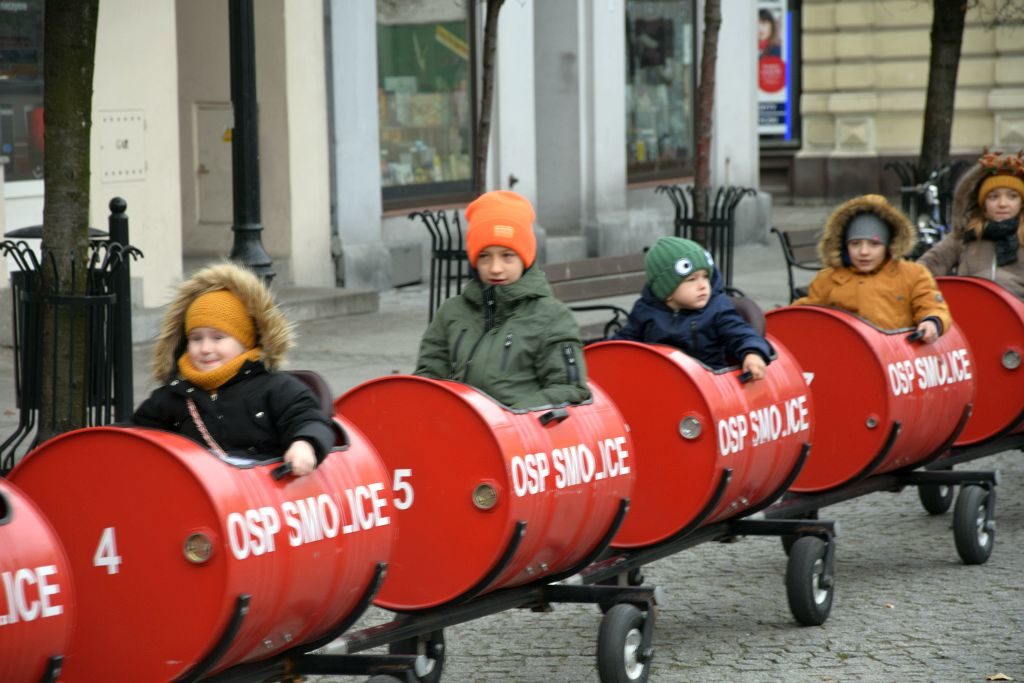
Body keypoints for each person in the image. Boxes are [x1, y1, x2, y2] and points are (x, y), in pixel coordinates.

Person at [131, 262, 335, 476]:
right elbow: (135, 436)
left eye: (218, 337)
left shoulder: (277, 388)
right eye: (196, 338)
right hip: (196, 489)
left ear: (245, 341)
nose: (205, 348)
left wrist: (304, 445)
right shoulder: (173, 396)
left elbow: (308, 419)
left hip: (263, 487)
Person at [414, 190, 590, 409]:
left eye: (507, 256)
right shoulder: (451, 312)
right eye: (484, 256)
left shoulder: (552, 316)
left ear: (525, 258)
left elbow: (569, 386)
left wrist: (511, 416)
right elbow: (427, 380)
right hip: (458, 425)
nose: (495, 268)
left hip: (521, 428)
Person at [795, 194, 952, 342]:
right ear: (844, 246)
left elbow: (932, 306)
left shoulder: (913, 274)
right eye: (855, 244)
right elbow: (806, 313)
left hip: (895, 354)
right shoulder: (828, 279)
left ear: (888, 246)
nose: (864, 252)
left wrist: (931, 322)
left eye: (874, 244)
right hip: (845, 352)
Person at [613, 236, 772, 380]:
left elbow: (740, 333)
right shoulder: (646, 310)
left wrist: (753, 352)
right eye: (692, 279)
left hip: (707, 382)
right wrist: (605, 356)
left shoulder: (717, 309)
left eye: (705, 277)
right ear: (667, 291)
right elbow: (625, 342)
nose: (702, 285)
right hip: (657, 379)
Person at [917, 150, 1024, 299]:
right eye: (993, 197)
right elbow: (925, 268)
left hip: (1016, 310)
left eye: (1012, 196)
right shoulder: (965, 235)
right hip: (970, 307)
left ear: (1021, 202)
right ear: (983, 203)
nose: (1002, 204)